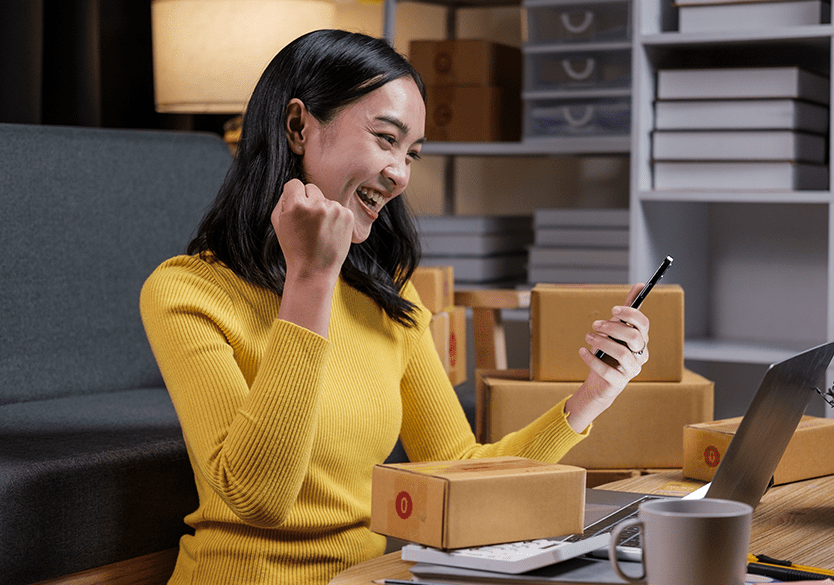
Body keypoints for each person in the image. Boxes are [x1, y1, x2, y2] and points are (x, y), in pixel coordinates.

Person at [140, 29, 652, 585]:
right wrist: (311, 280)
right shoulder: (187, 291)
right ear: (298, 127)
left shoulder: (389, 298)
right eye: (386, 139)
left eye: (411, 154)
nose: (401, 174)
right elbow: (258, 499)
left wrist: (591, 396)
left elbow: (459, 469)